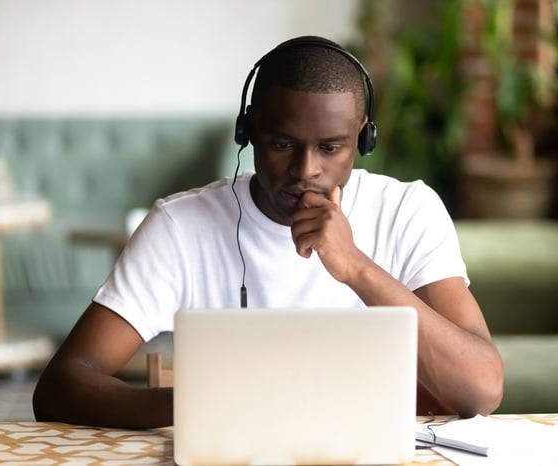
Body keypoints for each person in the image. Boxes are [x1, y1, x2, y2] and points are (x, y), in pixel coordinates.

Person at [33, 36, 503, 428]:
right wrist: (205, 405)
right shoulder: (180, 227)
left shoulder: (407, 211)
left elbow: (481, 389)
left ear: (362, 139)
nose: (306, 170)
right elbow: (62, 385)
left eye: (331, 147)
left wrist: (356, 267)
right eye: (282, 144)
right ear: (249, 132)